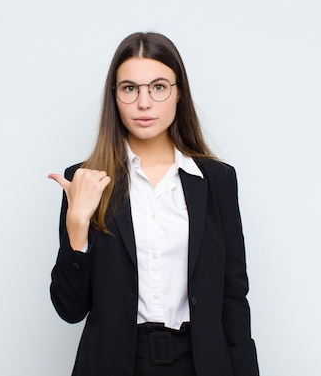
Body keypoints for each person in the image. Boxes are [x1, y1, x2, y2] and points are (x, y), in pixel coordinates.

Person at [48, 32, 259, 376]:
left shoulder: (216, 180)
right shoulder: (85, 180)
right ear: (114, 97)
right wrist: (77, 226)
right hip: (115, 364)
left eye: (158, 87)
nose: (144, 103)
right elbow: (70, 309)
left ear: (179, 94)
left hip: (200, 362)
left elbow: (234, 298)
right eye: (130, 88)